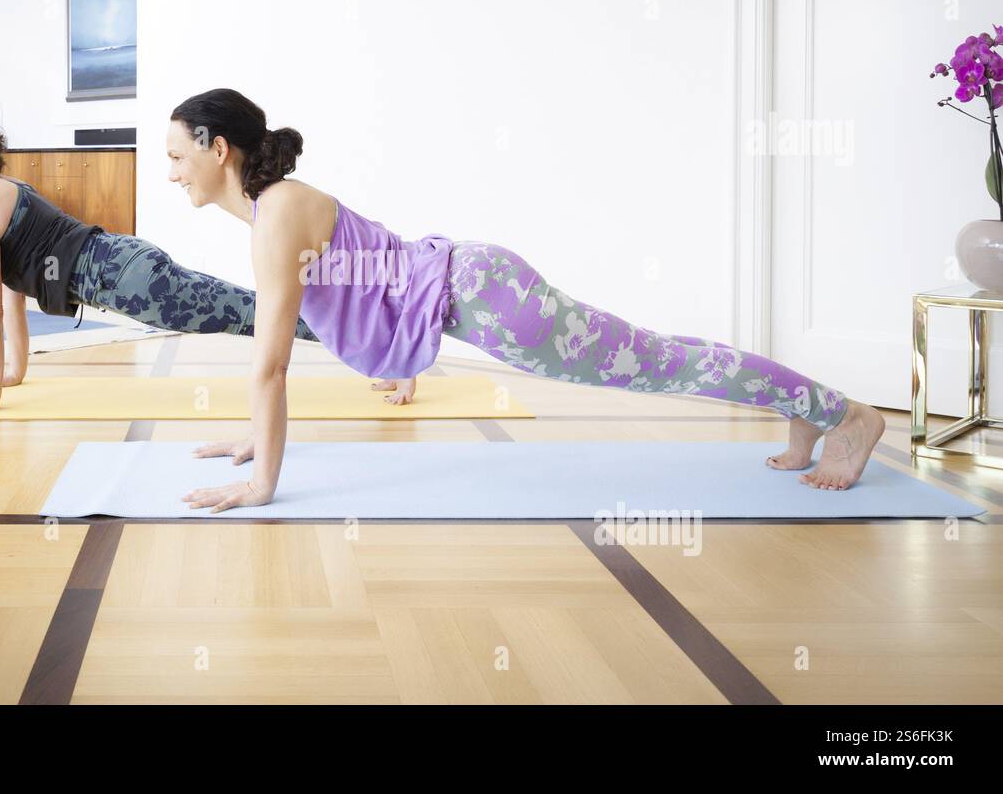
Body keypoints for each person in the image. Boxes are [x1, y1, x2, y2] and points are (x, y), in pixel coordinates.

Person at [167, 88, 886, 512]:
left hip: (488, 298)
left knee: (664, 362)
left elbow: (271, 367)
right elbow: (378, 262)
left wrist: (265, 482)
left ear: (217, 147)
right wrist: (261, 433)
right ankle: (806, 410)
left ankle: (844, 415)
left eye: (176, 156)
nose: (172, 173)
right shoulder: (281, 208)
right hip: (476, 285)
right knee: (666, 357)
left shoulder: (277, 214)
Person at [0, 103, 320, 416]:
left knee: (255, 313)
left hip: (127, 281)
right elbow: (10, 292)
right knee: (254, 309)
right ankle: (372, 340)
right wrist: (11, 373)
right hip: (127, 266)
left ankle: (374, 344)